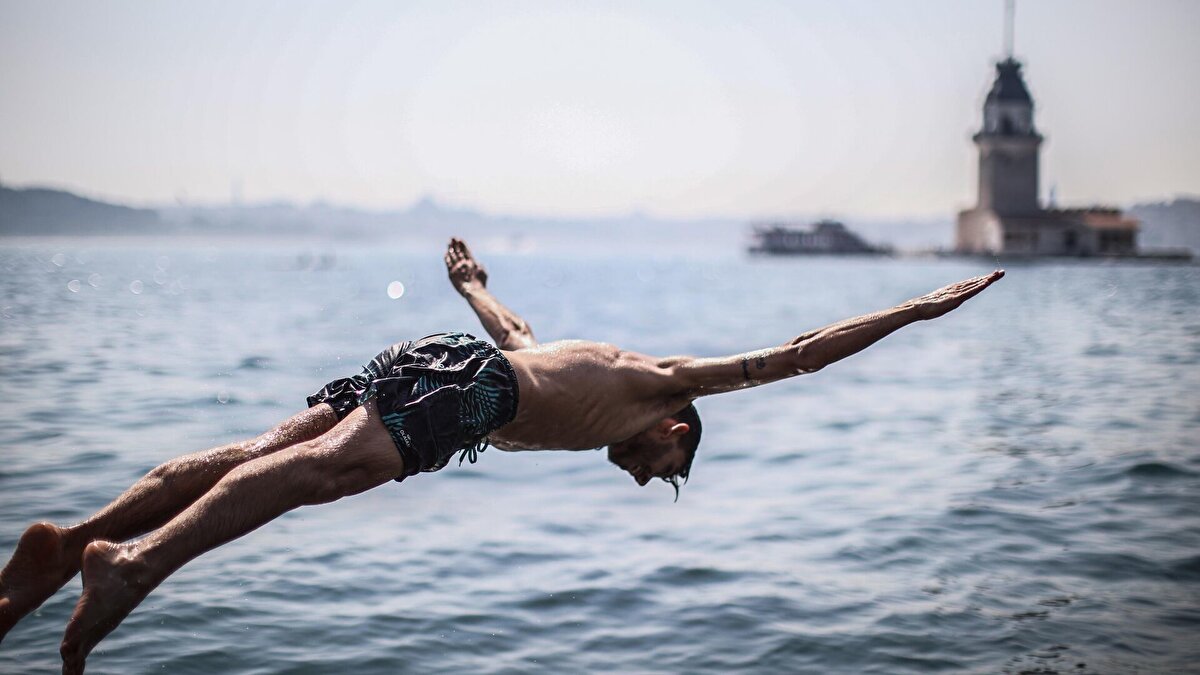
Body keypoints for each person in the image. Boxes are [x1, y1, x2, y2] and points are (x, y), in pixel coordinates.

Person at [0, 238, 1003, 672]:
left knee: (256, 451)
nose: (655, 476)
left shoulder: (597, 379)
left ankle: (68, 546)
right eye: (670, 471)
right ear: (678, 430)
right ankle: (131, 566)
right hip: (469, 390)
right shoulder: (664, 385)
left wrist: (468, 282)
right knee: (322, 473)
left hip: (451, 366)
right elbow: (795, 357)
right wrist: (919, 309)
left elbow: (513, 325)